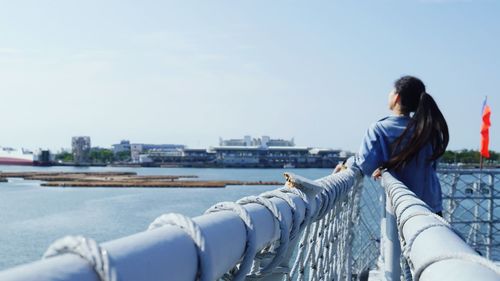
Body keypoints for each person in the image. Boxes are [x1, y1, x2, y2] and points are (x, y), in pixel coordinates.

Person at [336, 75, 449, 214]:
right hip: (431, 204)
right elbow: (433, 163)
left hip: (401, 205)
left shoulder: (380, 128)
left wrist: (349, 162)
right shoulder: (428, 129)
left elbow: (366, 164)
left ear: (397, 97)